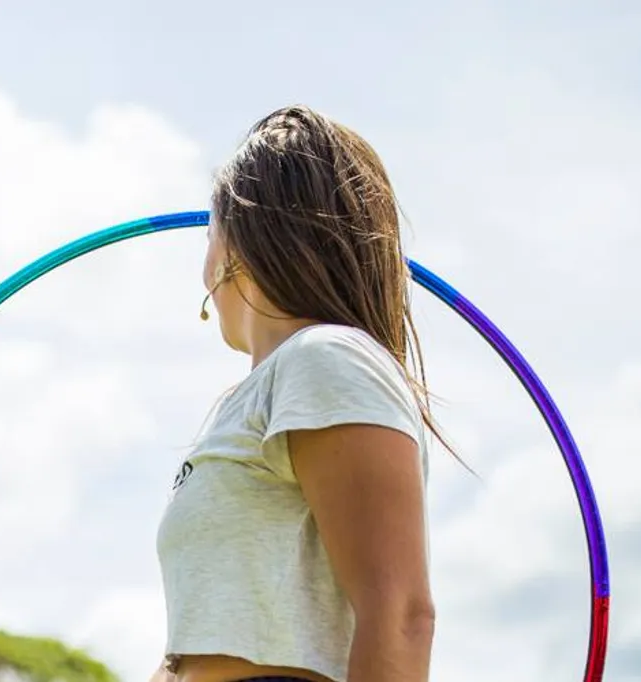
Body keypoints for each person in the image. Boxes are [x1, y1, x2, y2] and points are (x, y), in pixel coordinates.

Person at [154, 105, 444, 682]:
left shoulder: (326, 358)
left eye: (210, 234)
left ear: (235, 247)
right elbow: (198, 648)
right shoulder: (241, 402)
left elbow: (401, 615)